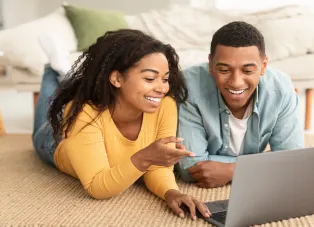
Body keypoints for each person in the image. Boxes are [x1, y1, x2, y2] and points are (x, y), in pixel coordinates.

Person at [32, 29, 211, 220]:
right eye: (150, 78)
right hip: (55, 142)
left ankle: (63, 74)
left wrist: (171, 192)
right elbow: (97, 187)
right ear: (117, 78)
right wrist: (147, 156)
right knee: (48, 111)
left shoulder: (164, 105)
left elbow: (156, 167)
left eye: (165, 79)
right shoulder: (84, 113)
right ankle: (54, 69)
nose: (162, 88)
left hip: (88, 125)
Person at [176, 21, 304, 188]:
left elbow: (292, 161)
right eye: (224, 70)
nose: (236, 83)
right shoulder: (189, 85)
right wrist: (266, 164)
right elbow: (190, 168)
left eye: (248, 71)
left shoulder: (281, 88)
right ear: (211, 65)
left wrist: (233, 170)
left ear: (263, 66)